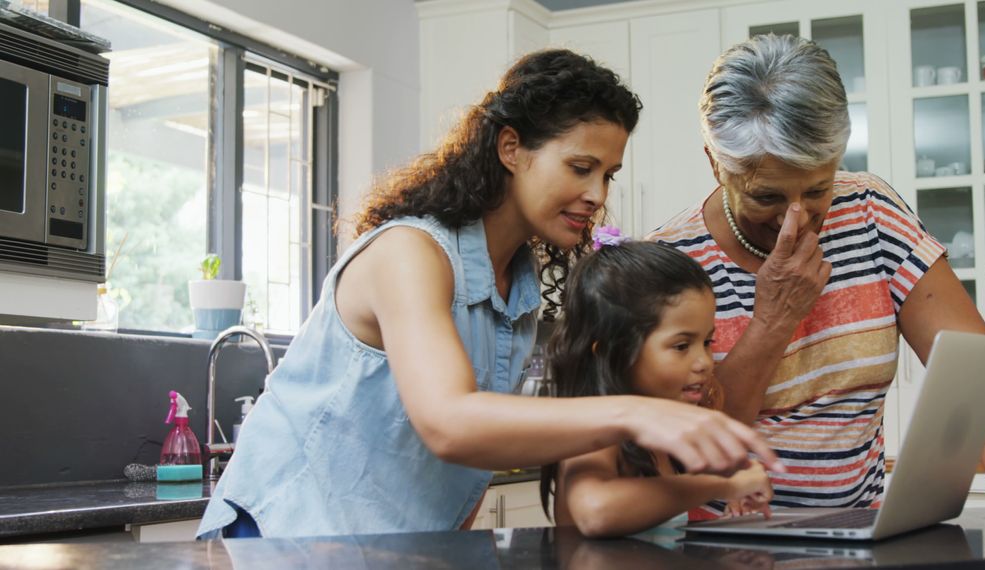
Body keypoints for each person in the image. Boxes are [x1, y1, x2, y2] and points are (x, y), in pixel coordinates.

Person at [196, 48, 781, 539]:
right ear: (510, 149)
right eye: (579, 167)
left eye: (607, 174)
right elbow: (449, 423)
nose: (596, 193)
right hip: (282, 540)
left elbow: (469, 460)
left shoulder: (518, 290)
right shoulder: (411, 253)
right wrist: (639, 414)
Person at [647, 34, 985, 526]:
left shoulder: (869, 211)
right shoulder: (667, 262)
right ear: (714, 162)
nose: (797, 219)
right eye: (767, 196)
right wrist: (774, 319)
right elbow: (692, 452)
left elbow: (971, 362)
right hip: (725, 545)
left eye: (817, 189)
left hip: (860, 533)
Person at [540, 231, 775, 538]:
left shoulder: (664, 435)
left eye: (707, 342)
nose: (704, 361)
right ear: (613, 352)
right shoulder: (594, 431)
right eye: (681, 346)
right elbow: (595, 511)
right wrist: (724, 485)